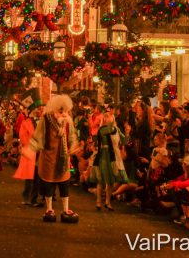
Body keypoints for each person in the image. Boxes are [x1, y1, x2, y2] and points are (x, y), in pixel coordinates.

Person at [30, 94, 80, 223]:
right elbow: (38, 136)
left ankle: (66, 209)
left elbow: (72, 137)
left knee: (64, 185)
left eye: (66, 111)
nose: (64, 114)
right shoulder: (46, 120)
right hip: (48, 158)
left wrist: (73, 147)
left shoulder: (68, 122)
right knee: (49, 184)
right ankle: (49, 208)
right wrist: (30, 148)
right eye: (61, 110)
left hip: (63, 159)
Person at [89, 106, 128, 210]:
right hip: (103, 156)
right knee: (101, 180)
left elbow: (124, 141)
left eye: (110, 116)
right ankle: (98, 202)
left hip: (114, 156)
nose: (108, 118)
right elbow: (109, 130)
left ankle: (107, 202)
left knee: (111, 181)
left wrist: (127, 132)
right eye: (106, 117)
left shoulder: (116, 129)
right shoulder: (102, 129)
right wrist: (111, 119)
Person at [14, 100, 43, 207]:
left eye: (41, 109)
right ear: (33, 111)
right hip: (31, 152)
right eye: (39, 109)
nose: (41, 110)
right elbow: (23, 137)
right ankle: (27, 198)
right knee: (30, 177)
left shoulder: (43, 122)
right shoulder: (26, 123)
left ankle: (34, 198)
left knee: (38, 176)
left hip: (40, 151)